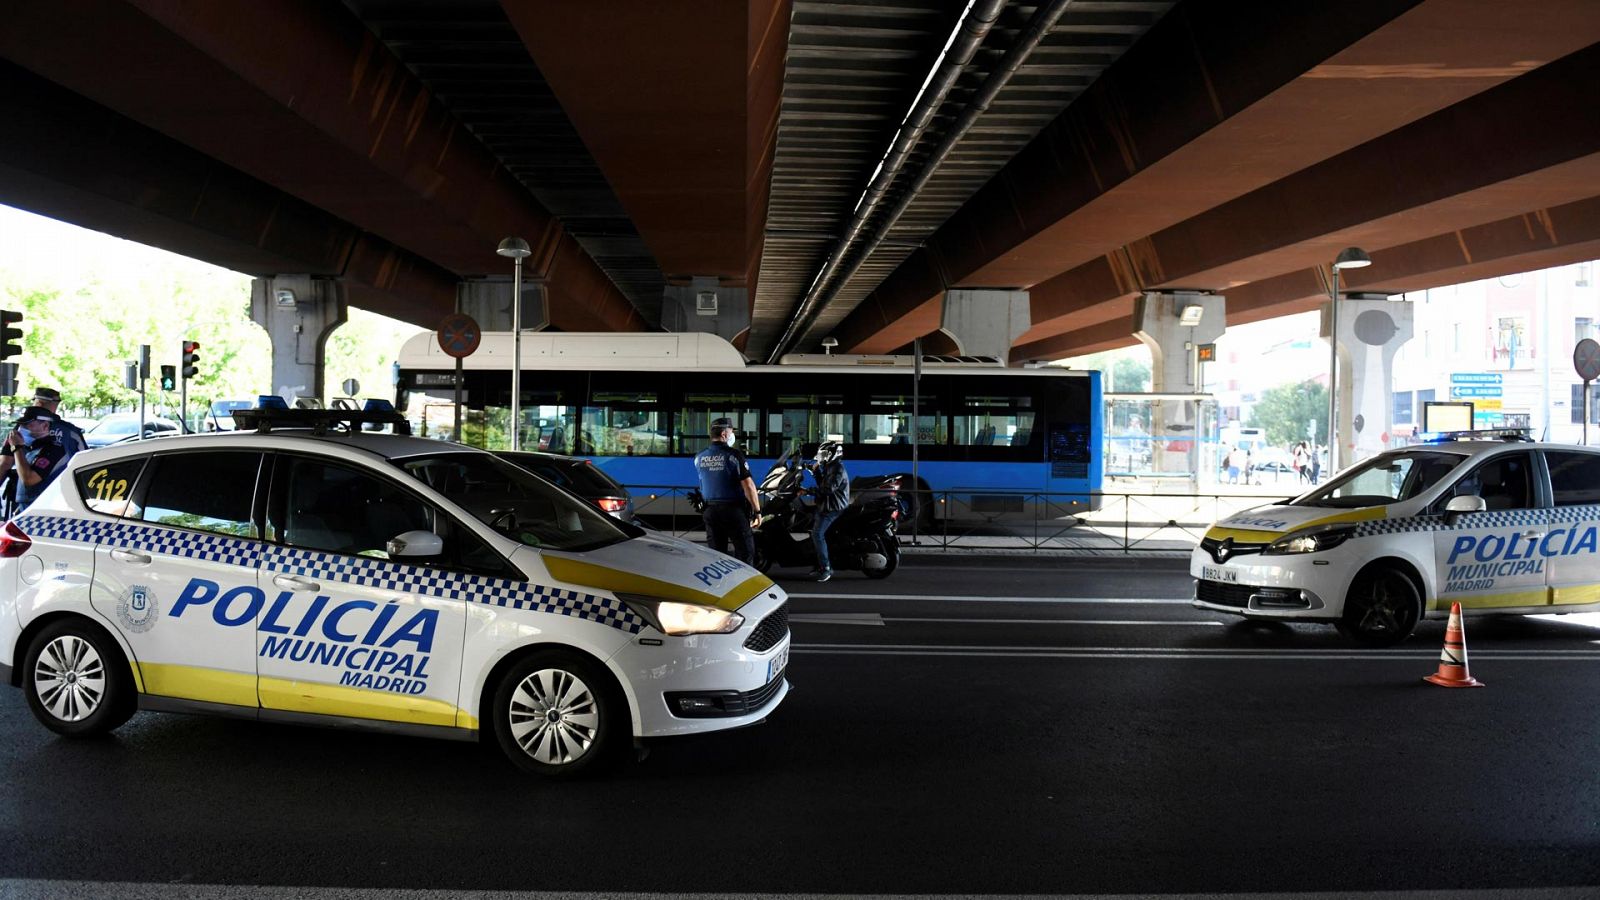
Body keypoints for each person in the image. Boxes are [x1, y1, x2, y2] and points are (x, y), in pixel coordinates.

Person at [693, 418, 759, 563]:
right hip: (732, 510)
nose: (731, 435)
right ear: (724, 434)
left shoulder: (699, 457)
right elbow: (749, 486)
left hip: (710, 511)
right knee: (745, 553)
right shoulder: (734, 456)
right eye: (730, 431)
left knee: (716, 557)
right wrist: (757, 511)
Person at [0, 406, 69, 513]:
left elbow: (29, 479)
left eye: (28, 425)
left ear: (45, 425)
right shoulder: (32, 448)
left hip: (44, 510)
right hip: (28, 507)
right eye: (21, 425)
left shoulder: (54, 450)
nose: (21, 429)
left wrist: (17, 448)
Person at [802, 440, 850, 583]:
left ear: (831, 454)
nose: (820, 457)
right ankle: (818, 564)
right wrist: (815, 471)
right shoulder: (831, 467)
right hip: (826, 505)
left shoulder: (837, 469)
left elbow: (828, 489)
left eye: (823, 454)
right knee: (813, 529)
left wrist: (806, 491)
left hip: (833, 507)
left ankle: (826, 568)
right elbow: (824, 483)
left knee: (817, 534)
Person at [29, 387, 86, 465]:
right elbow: (85, 459)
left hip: (29, 475)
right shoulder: (71, 431)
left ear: (39, 403)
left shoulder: (24, 428)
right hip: (66, 476)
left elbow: (7, 461)